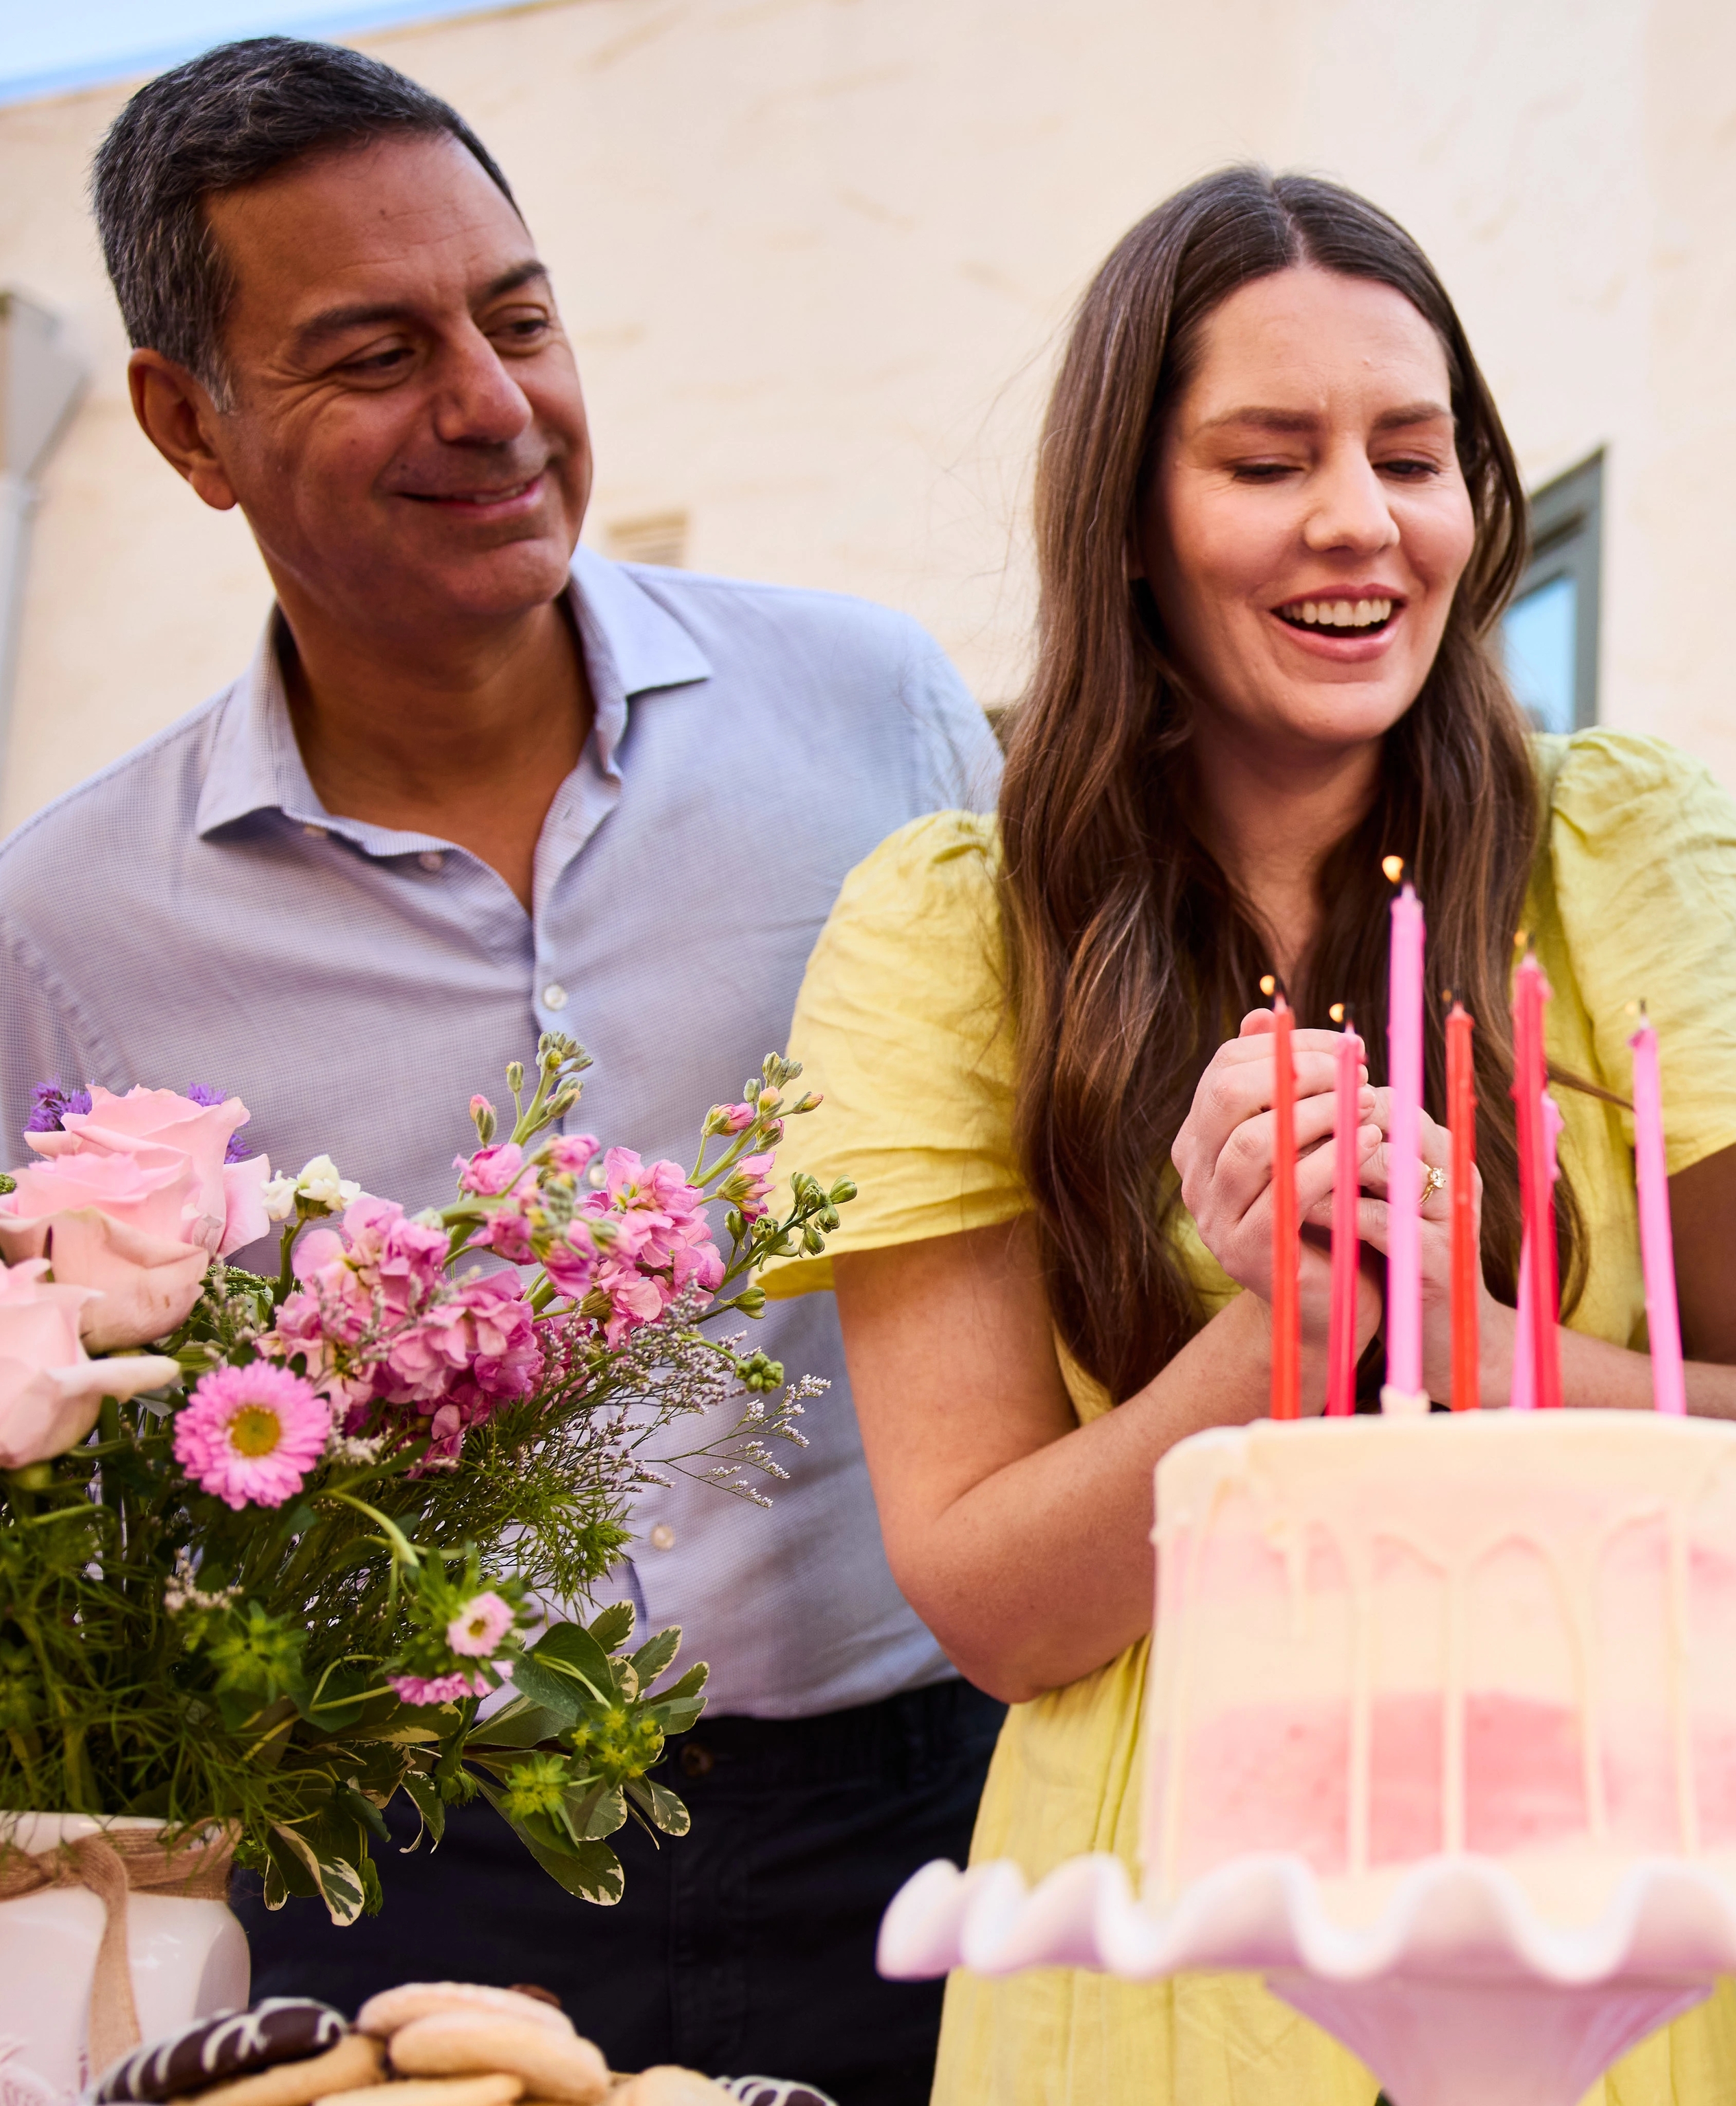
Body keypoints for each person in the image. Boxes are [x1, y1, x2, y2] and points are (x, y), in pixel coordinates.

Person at [763, 167, 1736, 2105]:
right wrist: (1278, 1337)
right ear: (1133, 524)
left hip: (1613, 1917)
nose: (1363, 521)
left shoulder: (1628, 849)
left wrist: (1457, 1342)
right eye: (1268, 459)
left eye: (1411, 454)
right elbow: (999, 1611)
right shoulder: (950, 927)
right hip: (1163, 1940)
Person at [0, 39, 1003, 2102]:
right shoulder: (61, 927)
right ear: (190, 427)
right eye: (374, 352)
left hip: (918, 1823)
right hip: (405, 1891)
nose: (491, 404)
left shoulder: (876, 717)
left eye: (519, 317)